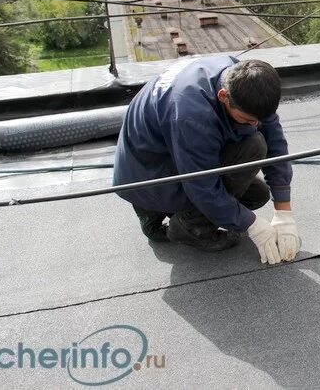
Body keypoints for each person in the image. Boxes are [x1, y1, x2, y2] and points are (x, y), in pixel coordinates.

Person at [113, 56, 299, 264]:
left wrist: (283, 212)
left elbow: (276, 142)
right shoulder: (192, 115)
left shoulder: (242, 77)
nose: (255, 123)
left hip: (170, 154)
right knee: (254, 146)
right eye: (248, 119)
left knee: (257, 195)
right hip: (147, 176)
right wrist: (251, 224)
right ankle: (184, 226)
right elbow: (201, 184)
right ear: (223, 97)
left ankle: (163, 211)